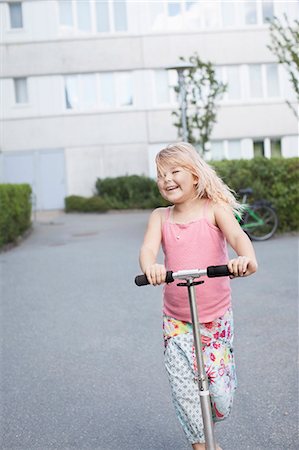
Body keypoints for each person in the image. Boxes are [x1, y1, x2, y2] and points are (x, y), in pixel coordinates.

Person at [139, 142, 258, 450]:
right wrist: (151, 266)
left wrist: (244, 258)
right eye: (160, 174)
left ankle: (209, 422)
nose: (166, 179)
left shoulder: (214, 209)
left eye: (174, 171)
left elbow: (236, 236)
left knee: (218, 396)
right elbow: (149, 249)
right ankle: (203, 445)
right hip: (176, 322)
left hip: (215, 319)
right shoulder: (160, 217)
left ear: (194, 175)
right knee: (184, 391)